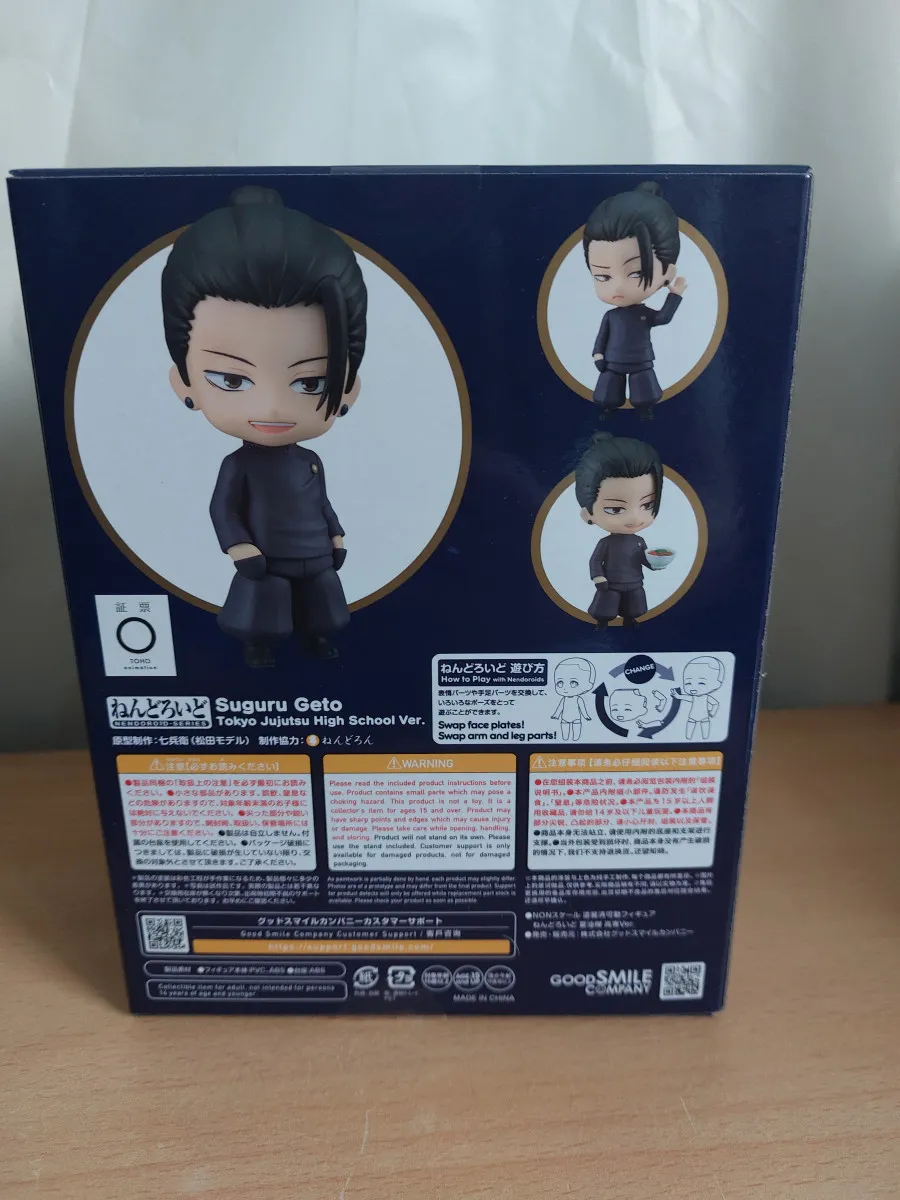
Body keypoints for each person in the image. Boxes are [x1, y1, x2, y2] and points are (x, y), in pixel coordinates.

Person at [160, 186, 367, 667]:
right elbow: (223, 507)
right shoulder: (239, 465)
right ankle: (258, 646)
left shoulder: (310, 460)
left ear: (348, 389)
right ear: (185, 383)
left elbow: (323, 503)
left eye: (311, 382)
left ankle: (318, 639)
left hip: (314, 553)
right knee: (263, 606)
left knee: (324, 604)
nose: (273, 407)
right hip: (265, 557)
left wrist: (336, 536)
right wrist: (238, 546)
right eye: (231, 380)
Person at [584, 182, 687, 418]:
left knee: (644, 391)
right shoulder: (611, 316)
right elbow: (602, 337)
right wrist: (598, 355)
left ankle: (645, 408)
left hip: (641, 361)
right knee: (608, 391)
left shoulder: (645, 313)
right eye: (603, 276)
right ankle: (608, 407)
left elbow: (663, 318)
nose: (618, 287)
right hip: (613, 362)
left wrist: (675, 295)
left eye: (636, 273)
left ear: (668, 272)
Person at [574, 432, 671, 628]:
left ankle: (630, 619)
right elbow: (596, 560)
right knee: (606, 607)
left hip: (634, 582)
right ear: (587, 514)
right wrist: (598, 577)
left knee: (635, 606)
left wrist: (654, 564)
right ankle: (602, 623)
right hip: (611, 583)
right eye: (615, 509)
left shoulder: (639, 541)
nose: (635, 517)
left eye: (647, 505)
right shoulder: (606, 543)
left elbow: (642, 557)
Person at [672, 656, 725, 739]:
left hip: (704, 717)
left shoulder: (706, 697)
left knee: (705, 734)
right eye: (688, 683)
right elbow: (686, 698)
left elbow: (715, 704)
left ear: (717, 684)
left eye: (701, 683)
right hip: (692, 717)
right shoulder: (694, 697)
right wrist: (677, 696)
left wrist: (712, 713)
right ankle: (689, 738)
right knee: (689, 733)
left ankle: (705, 740)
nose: (693, 687)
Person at [550, 658, 595, 741]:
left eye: (573, 683)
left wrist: (586, 716)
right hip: (564, 718)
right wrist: (556, 715)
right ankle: (565, 739)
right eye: (560, 683)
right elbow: (560, 707)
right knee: (565, 734)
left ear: (588, 685)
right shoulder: (564, 699)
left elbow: (582, 709)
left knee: (576, 732)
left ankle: (575, 739)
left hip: (576, 718)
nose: (565, 688)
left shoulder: (578, 699)